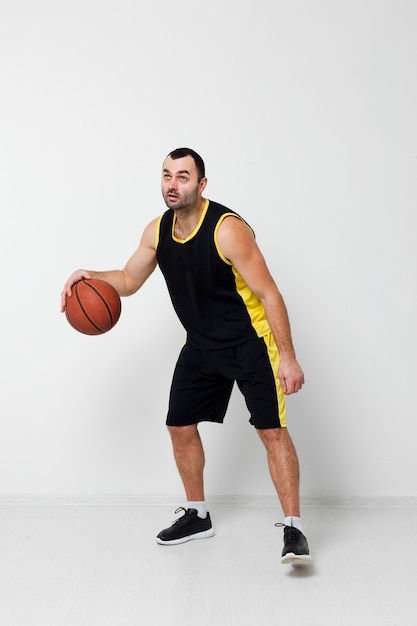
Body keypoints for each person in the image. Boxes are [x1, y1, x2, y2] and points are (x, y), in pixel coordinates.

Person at [61, 147, 311, 565]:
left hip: (249, 343)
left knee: (272, 433)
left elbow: (270, 293)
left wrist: (288, 357)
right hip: (199, 345)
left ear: (201, 184)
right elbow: (127, 279)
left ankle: (295, 528)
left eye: (182, 176)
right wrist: (90, 274)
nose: (172, 184)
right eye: (166, 176)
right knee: (179, 426)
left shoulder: (227, 230)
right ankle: (197, 515)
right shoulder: (157, 231)